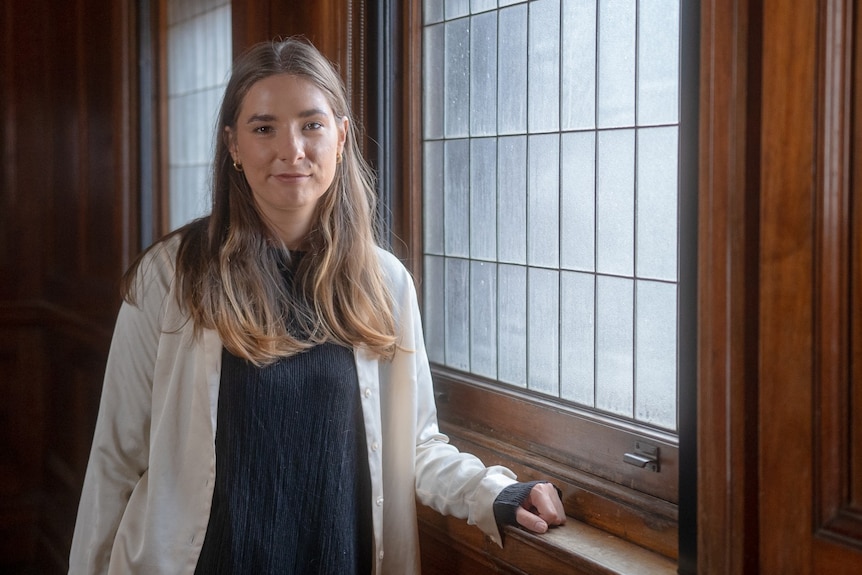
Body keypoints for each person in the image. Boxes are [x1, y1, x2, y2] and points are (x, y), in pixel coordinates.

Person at [68, 37, 565, 575]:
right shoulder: (170, 276)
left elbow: (415, 445)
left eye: (312, 124)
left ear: (342, 136)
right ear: (233, 144)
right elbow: (115, 461)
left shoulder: (385, 282)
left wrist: (496, 492)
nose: (292, 150)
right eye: (264, 128)